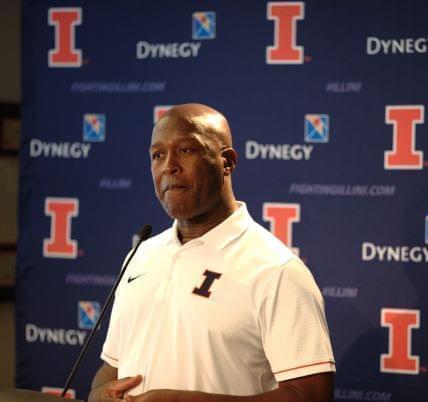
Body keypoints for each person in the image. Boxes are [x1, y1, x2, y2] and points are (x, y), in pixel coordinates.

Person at [88, 104, 335, 402]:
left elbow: (310, 395)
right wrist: (99, 394)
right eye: (158, 155)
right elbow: (111, 368)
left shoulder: (276, 269)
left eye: (187, 150)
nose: (169, 166)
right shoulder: (141, 255)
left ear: (227, 162)